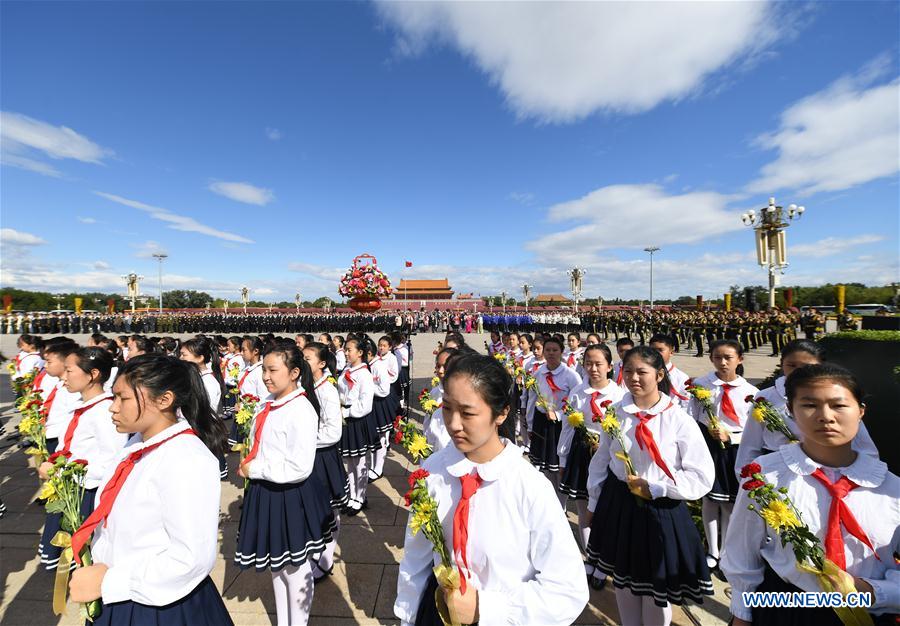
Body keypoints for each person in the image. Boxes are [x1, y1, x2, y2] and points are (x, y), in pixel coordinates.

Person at [394, 353, 589, 625]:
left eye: (468, 413)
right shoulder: (435, 470)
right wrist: (407, 615)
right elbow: (417, 557)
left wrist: (486, 608)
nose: (453, 424)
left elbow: (568, 589)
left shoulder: (529, 487)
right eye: (448, 408)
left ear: (501, 413)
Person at [721, 364, 900, 625]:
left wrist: (875, 592)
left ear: (860, 411)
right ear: (791, 412)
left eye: (839, 405)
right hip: (787, 609)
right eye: (809, 405)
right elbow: (742, 553)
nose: (825, 416)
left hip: (869, 612)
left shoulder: (891, 489)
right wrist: (742, 614)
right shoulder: (766, 478)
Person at [67, 354, 233, 625]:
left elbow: (190, 558)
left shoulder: (185, 458)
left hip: (156, 606)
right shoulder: (136, 446)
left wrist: (109, 582)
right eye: (114, 397)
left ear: (164, 400)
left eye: (124, 398)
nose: (113, 407)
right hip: (121, 593)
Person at [585, 346, 715, 625]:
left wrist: (658, 487)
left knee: (656, 587)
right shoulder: (617, 413)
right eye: (628, 371)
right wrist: (593, 503)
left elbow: (701, 475)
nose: (633, 377)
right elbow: (602, 461)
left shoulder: (678, 419)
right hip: (619, 503)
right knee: (623, 578)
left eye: (641, 372)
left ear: (659, 375)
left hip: (661, 510)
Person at [234, 342, 336, 626]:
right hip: (266, 490)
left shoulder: (301, 409)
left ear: (293, 373)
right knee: (277, 566)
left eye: (272, 370)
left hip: (291, 494)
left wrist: (256, 468)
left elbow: (299, 466)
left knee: (296, 567)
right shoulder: (268, 402)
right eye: (264, 369)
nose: (266, 376)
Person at [38, 347, 127, 571]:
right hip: (71, 487)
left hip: (85, 492)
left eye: (69, 371)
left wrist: (64, 471)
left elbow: (111, 460)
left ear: (93, 374)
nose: (64, 377)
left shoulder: (105, 411)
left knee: (84, 553)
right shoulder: (83, 406)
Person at [735, 339, 879, 472]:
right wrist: (747, 475)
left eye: (807, 366)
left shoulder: (838, 396)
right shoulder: (765, 398)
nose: (797, 372)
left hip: (829, 467)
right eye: (791, 365)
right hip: (776, 470)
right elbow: (750, 444)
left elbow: (864, 446)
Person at [688, 339, 758, 573]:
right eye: (718, 357)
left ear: (740, 359)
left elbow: (753, 429)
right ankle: (712, 550)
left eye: (728, 357)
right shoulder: (701, 385)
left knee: (729, 502)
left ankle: (726, 550)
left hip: (735, 447)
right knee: (709, 498)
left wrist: (732, 437)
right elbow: (693, 416)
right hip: (708, 444)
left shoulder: (751, 392)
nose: (723, 362)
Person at [558, 344, 624, 588]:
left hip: (609, 458)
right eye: (588, 363)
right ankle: (589, 558)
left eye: (598, 364)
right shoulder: (577, 392)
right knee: (584, 507)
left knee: (605, 511)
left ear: (609, 366)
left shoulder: (619, 396)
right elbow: (567, 427)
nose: (593, 369)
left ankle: (604, 562)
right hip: (581, 453)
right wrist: (563, 458)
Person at [302, 342, 349, 583]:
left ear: (321, 363)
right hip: (306, 456)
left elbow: (333, 433)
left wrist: (304, 441)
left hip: (322, 457)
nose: (302, 361)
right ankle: (315, 554)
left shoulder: (327, 391)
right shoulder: (301, 387)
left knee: (329, 510)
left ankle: (325, 559)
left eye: (307, 358)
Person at [526, 337, 581, 498]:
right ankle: (551, 497)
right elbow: (532, 399)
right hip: (541, 422)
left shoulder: (570, 375)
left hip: (561, 425)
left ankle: (561, 504)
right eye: (547, 350)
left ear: (561, 352)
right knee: (545, 466)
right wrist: (529, 425)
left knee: (559, 466)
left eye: (554, 350)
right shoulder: (539, 373)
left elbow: (576, 406)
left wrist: (558, 414)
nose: (550, 353)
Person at [337, 337, 377, 515]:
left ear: (360, 353)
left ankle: (359, 498)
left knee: (360, 461)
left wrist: (345, 412)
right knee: (350, 461)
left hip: (357, 420)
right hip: (346, 418)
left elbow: (365, 405)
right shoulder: (347, 369)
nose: (346, 352)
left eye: (349, 350)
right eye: (345, 349)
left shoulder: (364, 375)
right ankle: (352, 495)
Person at [180, 336, 228, 479]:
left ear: (200, 358)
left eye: (184, 355)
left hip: (201, 432)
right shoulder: (196, 377)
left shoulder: (208, 383)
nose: (180, 358)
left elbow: (203, 414)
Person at [368, 336, 401, 483]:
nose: (381, 348)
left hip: (386, 393)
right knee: (377, 434)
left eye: (384, 345)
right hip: (377, 395)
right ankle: (375, 465)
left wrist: (377, 381)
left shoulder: (390, 359)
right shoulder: (376, 361)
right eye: (380, 345)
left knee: (382, 432)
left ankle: (378, 467)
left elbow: (394, 375)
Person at [423, 347, 457, 453]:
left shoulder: (464, 397)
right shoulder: (435, 392)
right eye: (438, 366)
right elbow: (429, 429)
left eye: (445, 367)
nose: (441, 371)